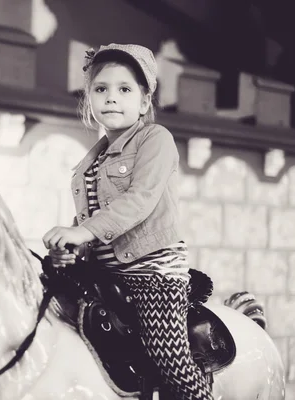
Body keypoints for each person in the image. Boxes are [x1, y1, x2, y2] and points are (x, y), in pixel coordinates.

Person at [42, 43, 213, 400]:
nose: (111, 98)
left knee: (170, 359)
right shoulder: (88, 163)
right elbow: (91, 218)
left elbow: (140, 200)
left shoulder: (156, 139)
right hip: (104, 274)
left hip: (153, 275)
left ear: (144, 101)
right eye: (100, 89)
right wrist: (70, 247)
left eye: (124, 89)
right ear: (89, 98)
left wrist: (81, 230)